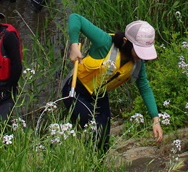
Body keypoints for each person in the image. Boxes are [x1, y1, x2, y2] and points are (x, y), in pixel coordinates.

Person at [63, 14, 163, 151]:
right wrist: (74, 45)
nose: (141, 56)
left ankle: (97, 165)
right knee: (96, 127)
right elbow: (76, 18)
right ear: (126, 41)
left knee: (104, 135)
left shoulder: (138, 64)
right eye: (139, 50)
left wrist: (155, 120)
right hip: (75, 89)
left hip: (99, 93)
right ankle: (82, 156)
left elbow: (144, 87)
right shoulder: (104, 43)